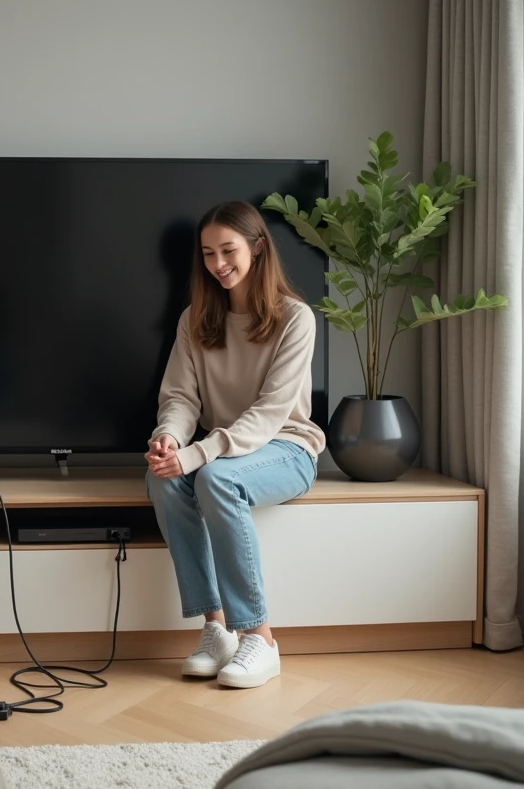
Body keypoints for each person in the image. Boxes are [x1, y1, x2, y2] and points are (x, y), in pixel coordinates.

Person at [145, 199, 325, 689]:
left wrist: (198, 453)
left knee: (216, 477)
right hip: (224, 449)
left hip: (287, 448)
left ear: (258, 248)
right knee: (161, 479)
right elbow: (181, 397)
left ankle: (261, 637)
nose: (218, 264)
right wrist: (168, 440)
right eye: (208, 254)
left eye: (228, 250)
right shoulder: (195, 319)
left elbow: (270, 415)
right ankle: (216, 629)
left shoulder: (296, 318)